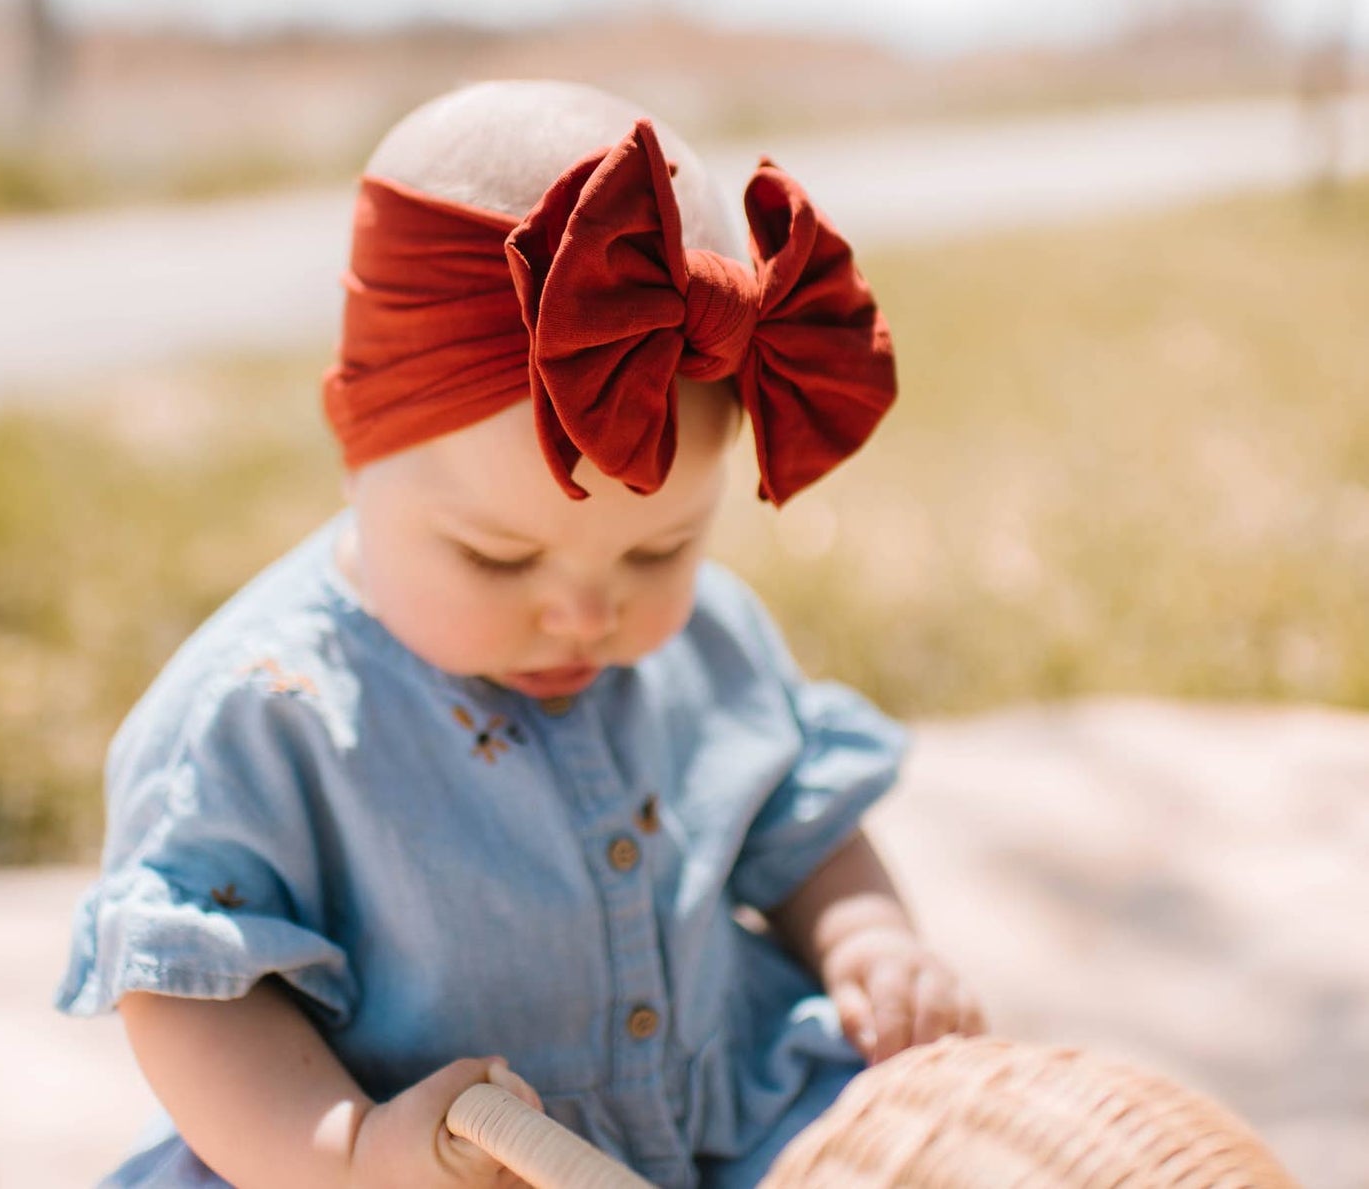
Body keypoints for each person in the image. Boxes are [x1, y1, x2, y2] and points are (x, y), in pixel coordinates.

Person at [57, 80, 986, 1189]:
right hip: (408, 1161)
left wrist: (864, 937)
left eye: (656, 553)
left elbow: (799, 822)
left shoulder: (712, 640)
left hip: (728, 1121)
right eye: (499, 558)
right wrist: (349, 1150)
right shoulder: (264, 709)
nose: (586, 612)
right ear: (358, 449)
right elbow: (194, 994)